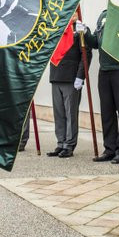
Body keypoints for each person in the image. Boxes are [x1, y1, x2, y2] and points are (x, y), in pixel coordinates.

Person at [76, 9, 119, 164]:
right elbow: (95, 43)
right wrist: (85, 32)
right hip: (105, 71)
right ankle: (109, 149)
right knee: (107, 113)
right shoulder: (104, 14)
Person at [46, 13, 92, 158]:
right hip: (56, 76)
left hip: (71, 78)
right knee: (59, 113)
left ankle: (69, 145)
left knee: (70, 113)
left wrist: (80, 76)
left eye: (74, 11)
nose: (71, 14)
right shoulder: (57, 29)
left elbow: (86, 55)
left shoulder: (81, 30)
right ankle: (60, 143)